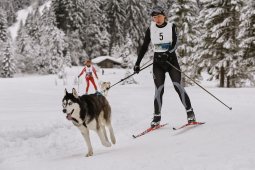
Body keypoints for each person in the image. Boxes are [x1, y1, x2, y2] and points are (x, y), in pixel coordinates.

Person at [133, 5, 196, 128]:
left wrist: (168, 53)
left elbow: (175, 43)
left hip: (171, 62)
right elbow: (144, 46)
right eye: (154, 17)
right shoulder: (150, 28)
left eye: (159, 16)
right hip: (158, 64)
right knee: (159, 89)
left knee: (178, 86)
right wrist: (137, 63)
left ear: (164, 16)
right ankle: (156, 117)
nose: (157, 19)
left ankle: (190, 113)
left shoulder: (171, 26)